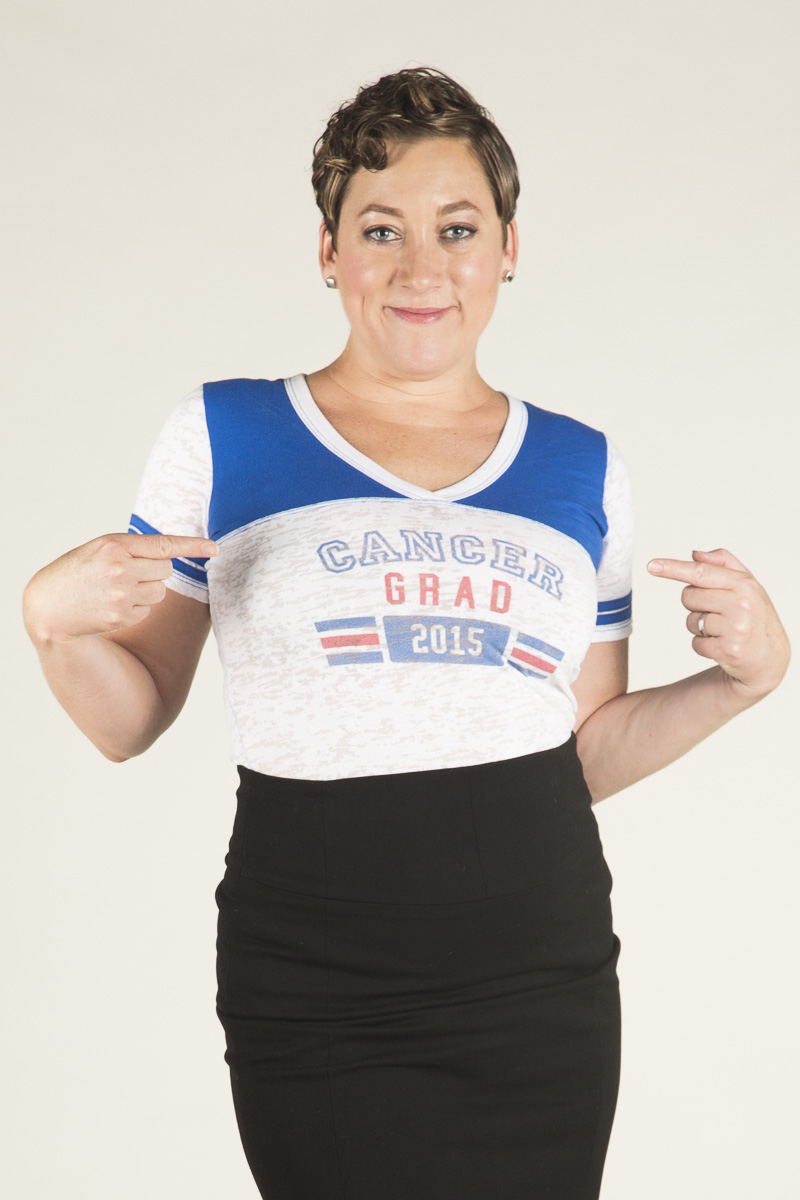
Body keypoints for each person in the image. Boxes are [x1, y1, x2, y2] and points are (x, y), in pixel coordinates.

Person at [23, 66, 789, 1200]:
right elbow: (128, 721)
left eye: (457, 229)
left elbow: (583, 750)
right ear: (328, 252)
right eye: (380, 229)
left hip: (539, 979)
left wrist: (742, 681)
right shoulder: (227, 433)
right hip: (317, 972)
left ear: (508, 249)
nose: (421, 268)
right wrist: (48, 620)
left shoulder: (581, 466)